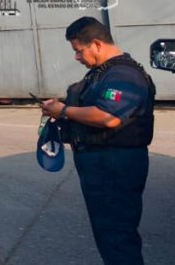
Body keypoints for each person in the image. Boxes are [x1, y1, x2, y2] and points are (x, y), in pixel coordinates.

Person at [41, 17, 155, 265]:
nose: (76, 57)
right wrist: (60, 105)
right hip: (102, 164)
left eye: (78, 51)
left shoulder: (124, 74)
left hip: (115, 165)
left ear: (96, 43)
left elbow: (108, 116)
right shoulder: (102, 73)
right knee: (109, 234)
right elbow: (89, 104)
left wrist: (63, 111)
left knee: (117, 237)